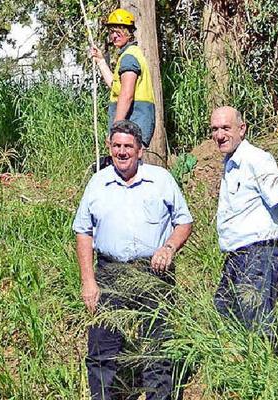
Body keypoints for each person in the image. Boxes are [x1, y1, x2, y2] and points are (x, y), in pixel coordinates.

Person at [73, 120, 193, 399]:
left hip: (153, 272)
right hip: (110, 273)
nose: (122, 151)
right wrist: (88, 281)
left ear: (140, 150)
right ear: (109, 147)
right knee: (102, 349)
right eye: (117, 146)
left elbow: (184, 222)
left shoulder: (161, 179)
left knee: (158, 348)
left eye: (128, 146)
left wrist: (169, 248)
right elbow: (83, 230)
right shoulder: (98, 182)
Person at [210, 106, 278, 337]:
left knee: (257, 333)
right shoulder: (231, 163)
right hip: (236, 259)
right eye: (214, 129)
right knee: (223, 323)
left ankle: (269, 372)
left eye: (226, 128)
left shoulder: (255, 160)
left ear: (242, 129)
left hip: (258, 258)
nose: (219, 134)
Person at [90, 9, 156, 148]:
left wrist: (115, 129)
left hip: (131, 127)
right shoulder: (130, 55)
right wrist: (101, 62)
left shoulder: (129, 58)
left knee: (128, 167)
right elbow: (116, 88)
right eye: (111, 32)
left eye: (117, 31)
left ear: (128, 32)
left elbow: (126, 95)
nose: (114, 36)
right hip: (133, 127)